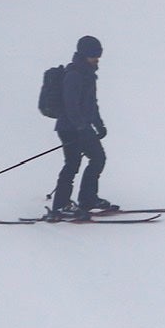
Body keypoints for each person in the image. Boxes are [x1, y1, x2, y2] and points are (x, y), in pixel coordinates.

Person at [49, 35, 117, 221]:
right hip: (69, 128)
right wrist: (81, 127)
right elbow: (71, 105)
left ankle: (88, 199)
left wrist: (99, 124)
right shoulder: (74, 75)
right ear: (84, 55)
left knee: (97, 158)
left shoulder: (88, 74)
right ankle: (60, 205)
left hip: (82, 127)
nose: (97, 59)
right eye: (94, 55)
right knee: (72, 164)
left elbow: (91, 104)